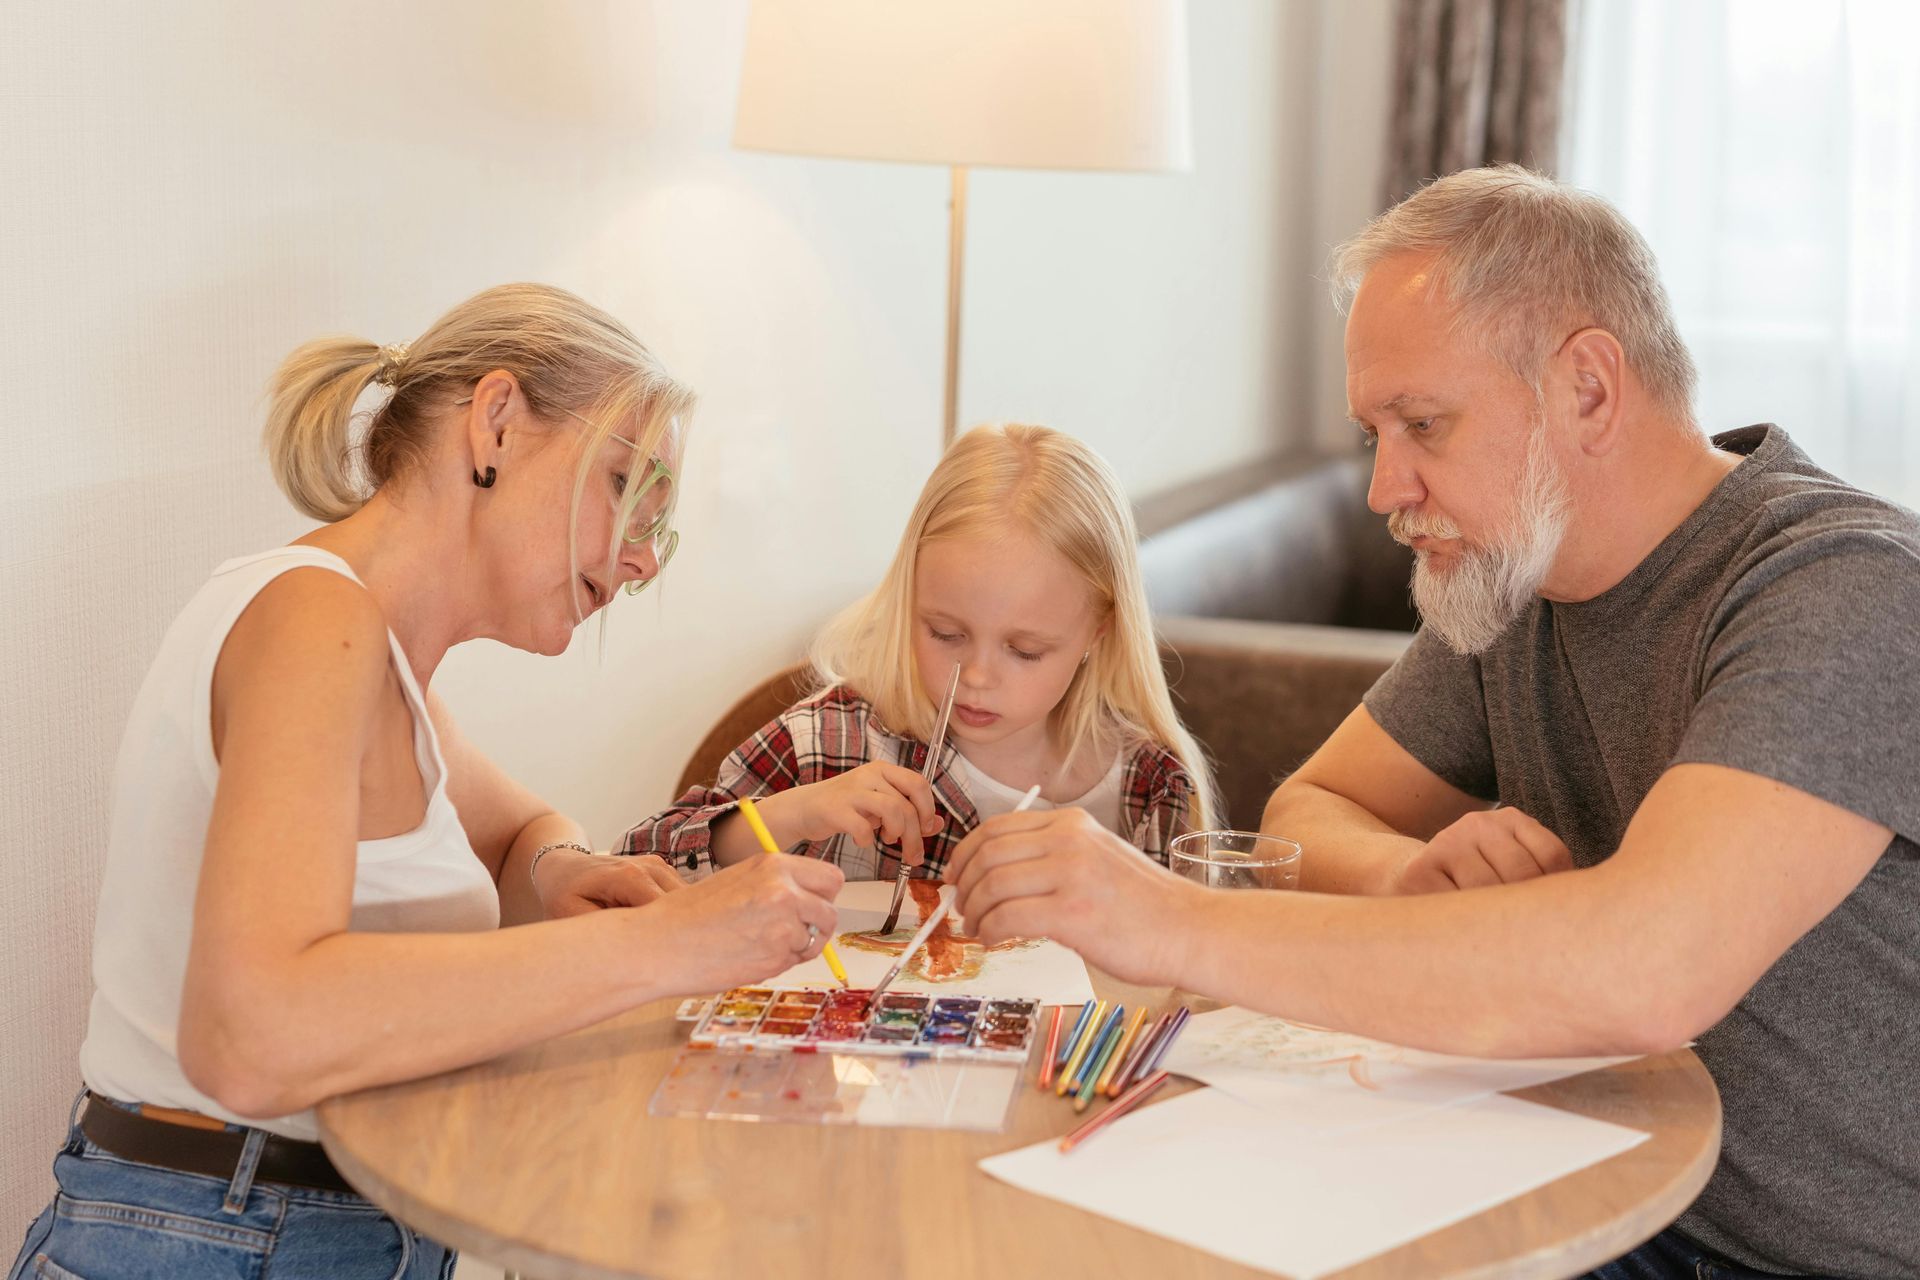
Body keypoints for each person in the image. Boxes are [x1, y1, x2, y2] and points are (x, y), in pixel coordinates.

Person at [944, 168, 1920, 1280]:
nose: (1383, 486)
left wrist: (1162, 917)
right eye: (1375, 432)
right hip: (1604, 1182)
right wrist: (1405, 881)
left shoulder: (1847, 591)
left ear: (1589, 390)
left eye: (1423, 423)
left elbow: (1652, 970)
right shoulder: (1514, 581)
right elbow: (1313, 807)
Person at [9, 284, 844, 1280]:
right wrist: (661, 942)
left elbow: (513, 833)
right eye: (623, 486)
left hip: (308, 1226)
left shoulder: (383, 661)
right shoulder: (315, 621)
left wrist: (560, 869)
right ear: (494, 424)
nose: (637, 562)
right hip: (222, 1233)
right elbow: (249, 1033)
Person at [620, 423, 1215, 881]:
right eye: (945, 634)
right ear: (909, 595)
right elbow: (634, 869)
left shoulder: (1149, 786)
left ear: (1100, 630)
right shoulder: (829, 745)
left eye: (1026, 650)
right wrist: (792, 816)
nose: (977, 675)